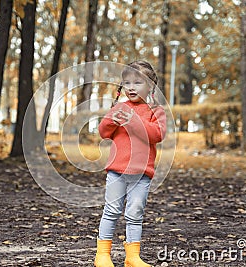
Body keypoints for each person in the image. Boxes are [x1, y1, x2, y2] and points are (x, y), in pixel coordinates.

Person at [94, 61, 167, 267]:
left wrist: (133, 120)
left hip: (142, 173)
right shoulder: (120, 108)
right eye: (127, 82)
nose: (131, 87)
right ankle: (102, 255)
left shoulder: (156, 110)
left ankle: (132, 257)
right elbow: (104, 132)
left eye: (137, 82)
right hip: (117, 171)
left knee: (135, 212)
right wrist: (112, 120)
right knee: (111, 210)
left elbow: (157, 134)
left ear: (151, 86)